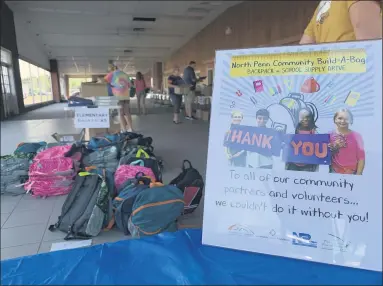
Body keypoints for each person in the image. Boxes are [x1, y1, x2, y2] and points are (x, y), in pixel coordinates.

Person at [300, 0, 382, 44]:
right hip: (349, 71)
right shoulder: (321, 6)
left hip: (332, 72)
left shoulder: (321, 7)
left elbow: (301, 50)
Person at [329, 108, 365, 175]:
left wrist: (358, 175)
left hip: (352, 173)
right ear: (335, 120)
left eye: (346, 118)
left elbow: (361, 158)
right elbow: (324, 157)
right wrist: (335, 147)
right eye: (340, 118)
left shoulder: (357, 136)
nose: (343, 121)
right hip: (334, 172)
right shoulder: (329, 135)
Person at [104, 64, 133, 132]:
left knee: (121, 113)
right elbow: (130, 85)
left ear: (111, 69)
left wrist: (113, 85)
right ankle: (131, 128)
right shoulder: (124, 74)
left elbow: (103, 81)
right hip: (126, 95)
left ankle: (124, 129)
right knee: (127, 112)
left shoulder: (112, 74)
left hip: (118, 96)